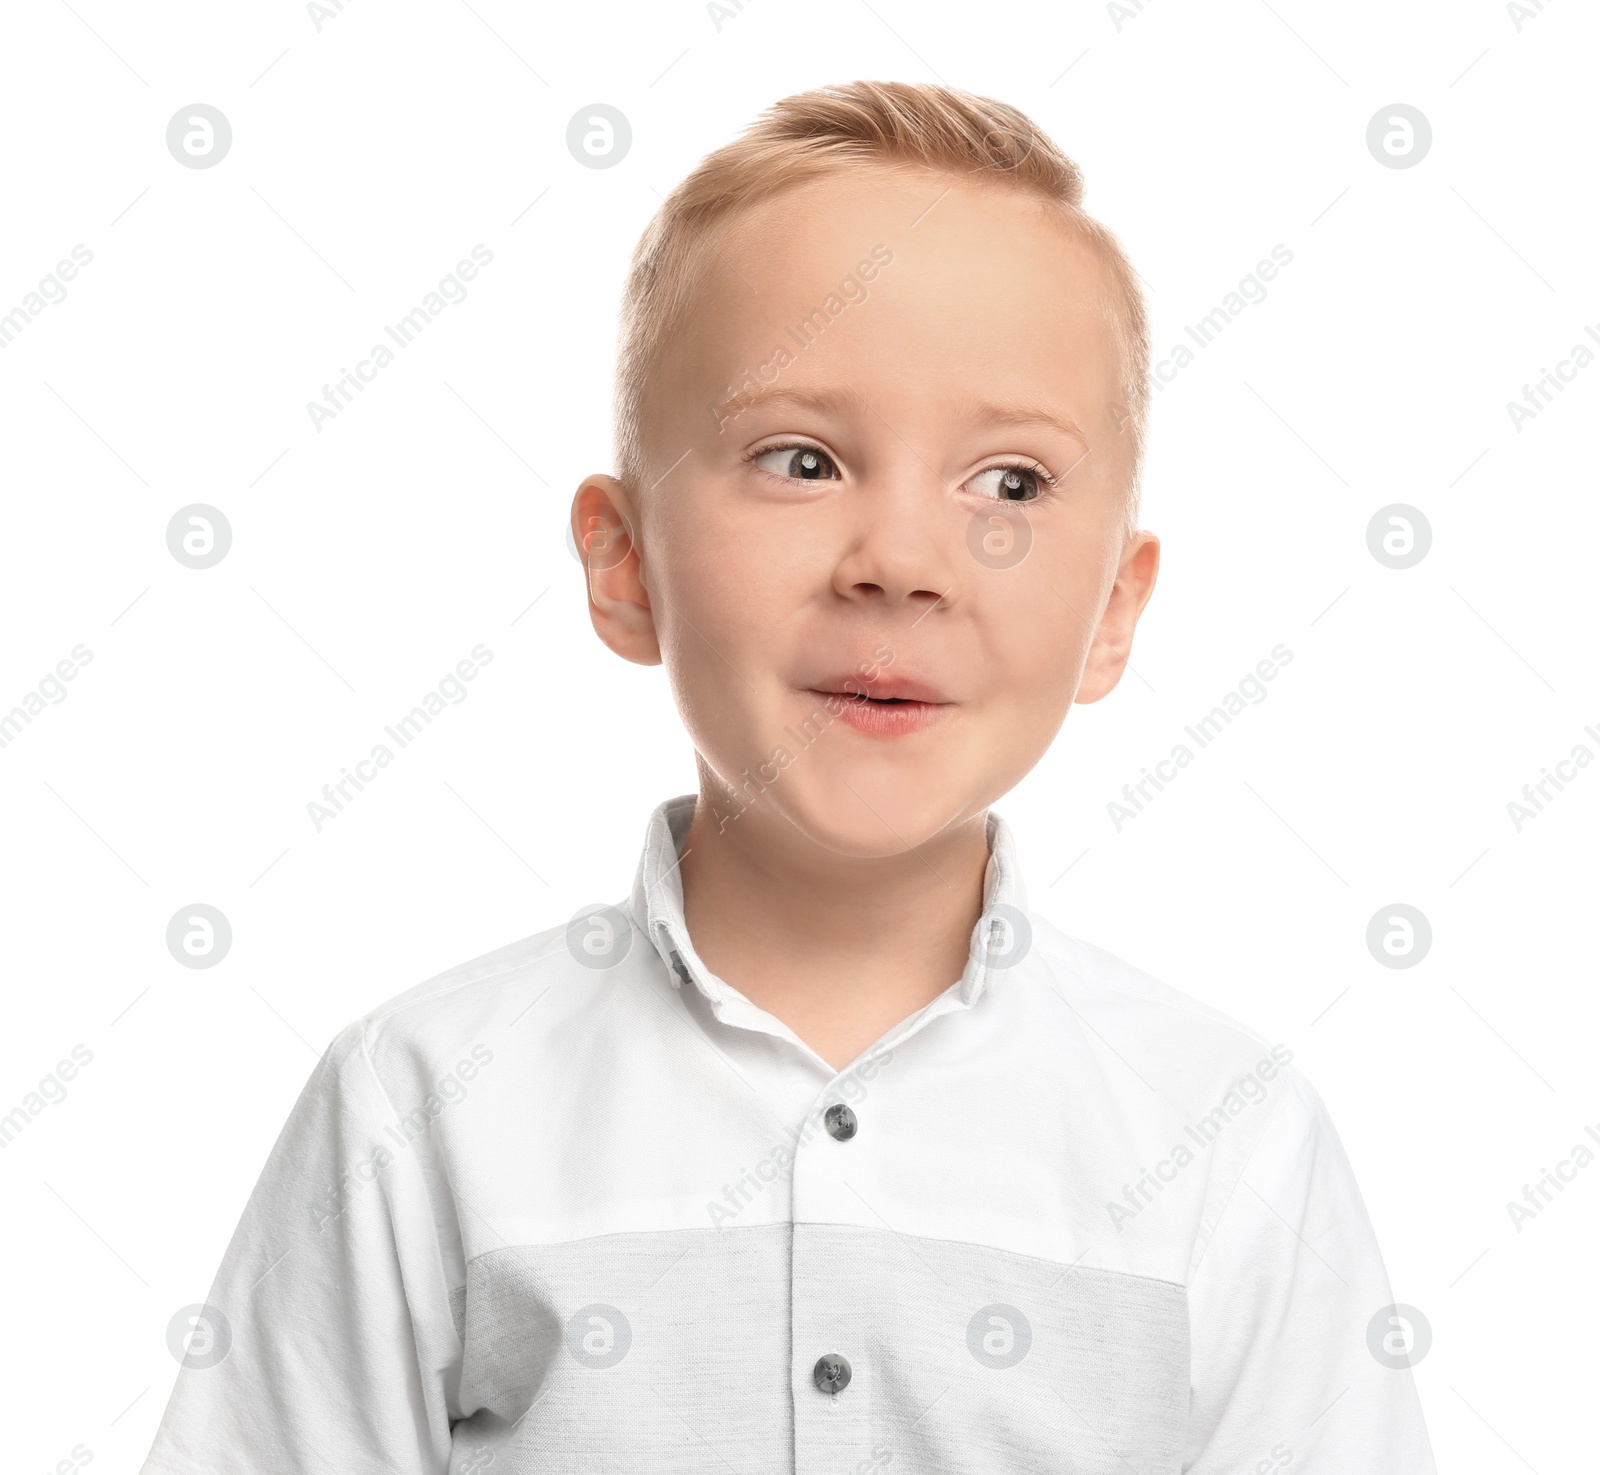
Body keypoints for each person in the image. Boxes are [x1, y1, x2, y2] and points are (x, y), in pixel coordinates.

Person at [141, 80, 1435, 1473]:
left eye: (1008, 484)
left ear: (1116, 609)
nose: (900, 558)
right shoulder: (419, 1106)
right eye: (801, 459)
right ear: (623, 562)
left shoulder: (1226, 1143)